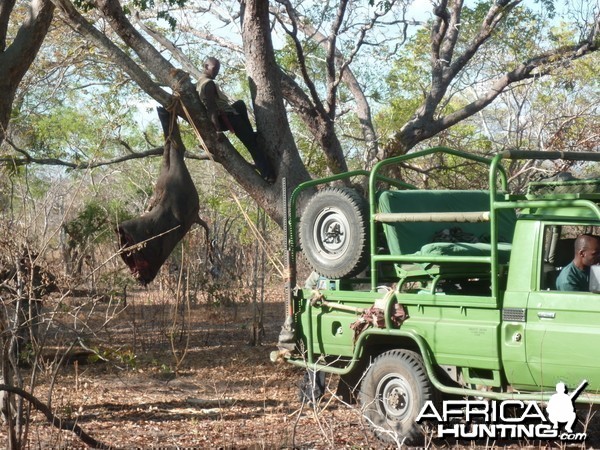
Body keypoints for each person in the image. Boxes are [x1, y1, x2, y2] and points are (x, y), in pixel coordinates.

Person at [196, 57, 275, 182]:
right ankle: (267, 175)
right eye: (214, 68)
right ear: (206, 67)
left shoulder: (200, 82)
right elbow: (211, 108)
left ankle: (250, 133)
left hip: (228, 114)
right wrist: (218, 130)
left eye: (218, 69)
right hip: (227, 118)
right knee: (253, 146)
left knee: (240, 104)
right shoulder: (208, 84)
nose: (216, 72)